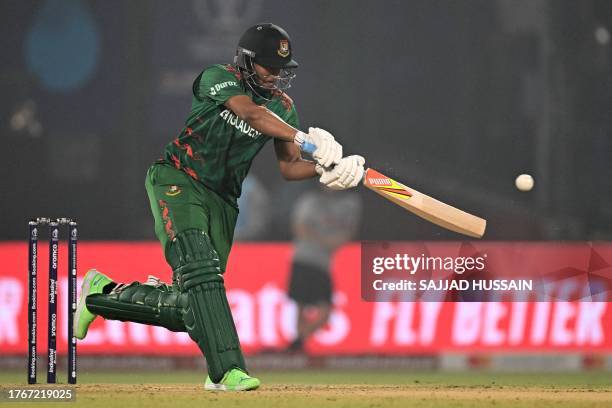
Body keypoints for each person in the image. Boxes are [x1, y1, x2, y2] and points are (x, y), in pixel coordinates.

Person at [72, 23, 365, 391]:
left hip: (223, 201)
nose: (275, 77)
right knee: (201, 271)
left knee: (193, 304)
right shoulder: (218, 79)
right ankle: (225, 372)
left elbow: (290, 167)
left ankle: (100, 295)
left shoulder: (283, 107)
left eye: (281, 70)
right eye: (268, 67)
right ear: (244, 62)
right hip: (178, 179)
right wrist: (306, 139)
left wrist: (327, 168)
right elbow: (250, 115)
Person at [287, 186, 361, 352]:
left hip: (322, 263)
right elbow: (299, 227)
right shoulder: (310, 200)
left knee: (325, 310)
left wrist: (323, 241)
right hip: (303, 258)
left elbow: (348, 232)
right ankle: (299, 345)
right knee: (301, 305)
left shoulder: (349, 204)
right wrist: (325, 241)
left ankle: (298, 341)